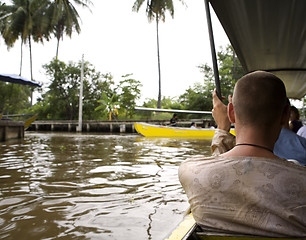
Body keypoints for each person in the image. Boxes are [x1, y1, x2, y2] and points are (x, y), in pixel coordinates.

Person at [179, 71, 306, 237]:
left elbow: (220, 169)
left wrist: (222, 129)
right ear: (285, 115)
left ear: (231, 113)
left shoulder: (190, 172)